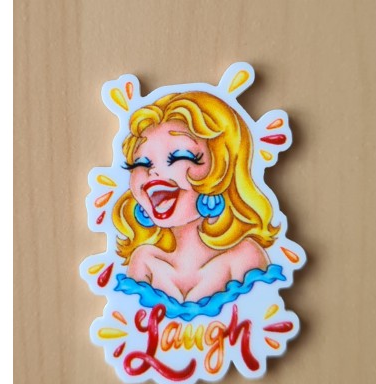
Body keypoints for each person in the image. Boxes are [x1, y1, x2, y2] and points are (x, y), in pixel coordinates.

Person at [112, 91, 279, 303]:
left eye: (180, 157)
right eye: (141, 163)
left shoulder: (245, 257)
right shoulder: (144, 260)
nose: (153, 172)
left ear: (222, 169)